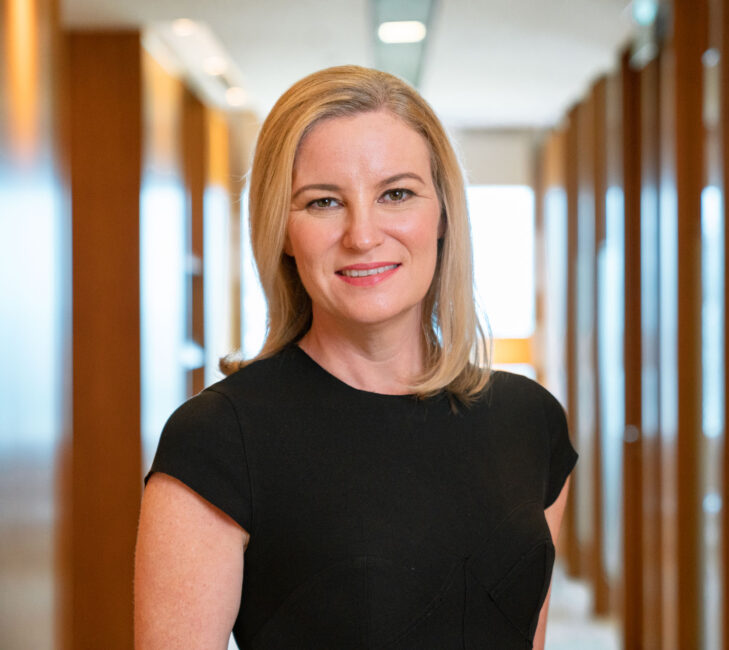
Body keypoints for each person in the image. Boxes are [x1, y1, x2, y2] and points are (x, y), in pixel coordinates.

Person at [134, 65, 577, 649]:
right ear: (283, 232)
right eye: (323, 202)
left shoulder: (530, 421)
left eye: (397, 193)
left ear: (442, 213)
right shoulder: (220, 438)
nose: (363, 235)